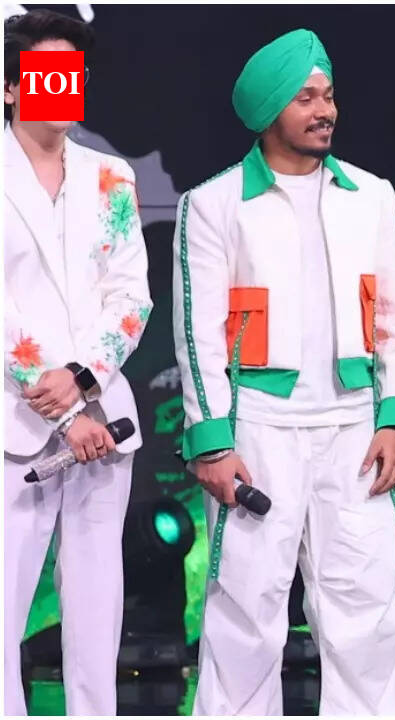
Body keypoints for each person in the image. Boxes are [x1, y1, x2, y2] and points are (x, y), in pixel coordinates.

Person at [173, 29, 395, 715]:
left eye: (329, 95)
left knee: (367, 611)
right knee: (246, 615)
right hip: (258, 430)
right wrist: (212, 442)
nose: (325, 110)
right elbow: (197, 337)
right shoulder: (215, 203)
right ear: (268, 109)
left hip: (354, 429)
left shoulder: (370, 195)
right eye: (306, 97)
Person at [3, 9, 153, 715]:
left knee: (97, 606)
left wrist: (86, 381)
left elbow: (131, 297)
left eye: (73, 72)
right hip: (16, 419)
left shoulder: (111, 177)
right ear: (10, 87)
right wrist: (63, 407)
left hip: (103, 422)